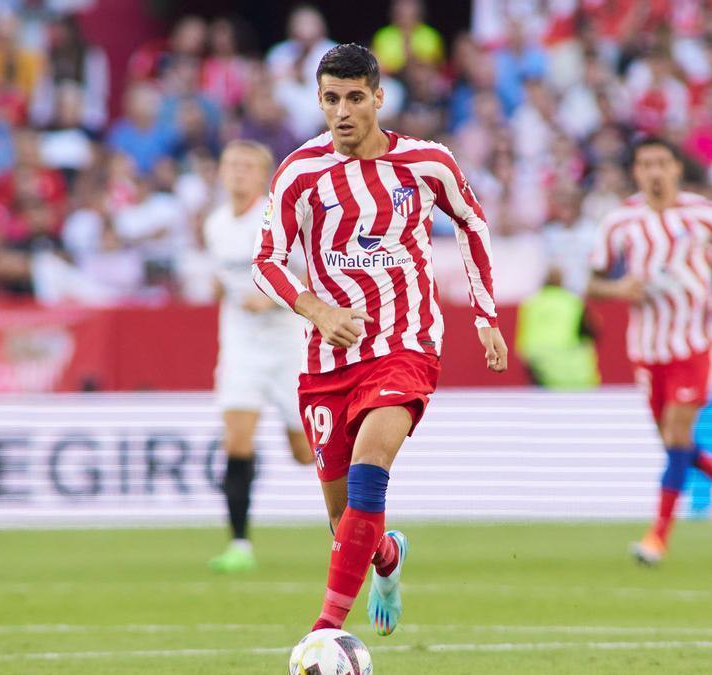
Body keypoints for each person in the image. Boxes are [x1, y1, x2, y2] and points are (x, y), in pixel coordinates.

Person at [252, 44, 507, 637]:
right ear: (319, 100)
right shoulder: (298, 173)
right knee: (346, 523)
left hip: (404, 345)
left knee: (372, 466)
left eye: (354, 98)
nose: (342, 111)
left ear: (378, 97)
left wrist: (485, 314)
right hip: (325, 363)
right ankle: (386, 557)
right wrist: (314, 307)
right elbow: (265, 261)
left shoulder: (426, 162)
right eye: (331, 99)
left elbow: (471, 222)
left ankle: (326, 629)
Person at [586, 136, 712, 567]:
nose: (655, 171)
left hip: (692, 342)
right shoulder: (620, 221)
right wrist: (619, 288)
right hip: (647, 348)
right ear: (636, 172)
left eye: (662, 163)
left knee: (678, 436)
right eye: (645, 164)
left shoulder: (705, 214)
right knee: (672, 443)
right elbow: (592, 282)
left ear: (677, 168)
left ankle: (657, 537)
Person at [204, 140, 314, 573]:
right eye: (231, 164)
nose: (238, 172)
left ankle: (354, 515)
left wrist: (270, 300)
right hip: (242, 348)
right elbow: (223, 277)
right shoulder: (215, 224)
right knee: (236, 439)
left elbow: (306, 274)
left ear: (263, 175)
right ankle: (240, 545)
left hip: (287, 348)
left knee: (305, 453)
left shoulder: (275, 216)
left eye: (248, 166)